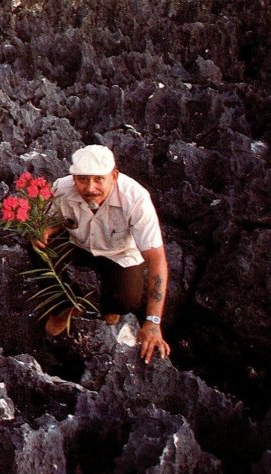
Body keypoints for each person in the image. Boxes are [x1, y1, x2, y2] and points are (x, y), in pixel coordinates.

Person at [33, 144, 171, 364]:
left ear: (114, 176)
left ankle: (109, 306)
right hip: (78, 245)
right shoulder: (62, 188)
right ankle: (65, 306)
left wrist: (153, 322)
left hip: (120, 253)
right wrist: (47, 230)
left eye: (99, 179)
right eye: (82, 179)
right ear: (74, 177)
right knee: (35, 246)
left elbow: (157, 259)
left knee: (125, 301)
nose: (90, 188)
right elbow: (55, 221)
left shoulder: (135, 199)